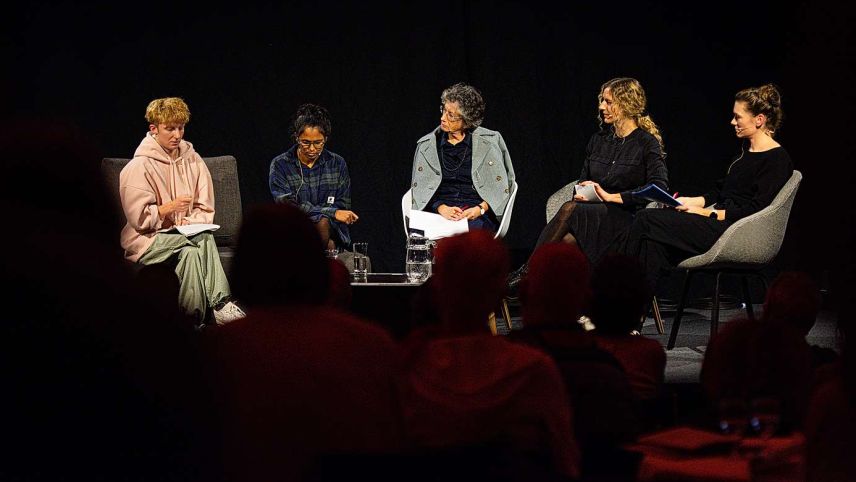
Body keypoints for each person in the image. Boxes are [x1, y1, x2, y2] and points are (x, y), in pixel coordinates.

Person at [397, 231, 580, 479]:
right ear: (499, 292)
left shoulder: (406, 369)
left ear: (437, 288)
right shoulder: (532, 370)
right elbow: (564, 462)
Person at [615, 83, 793, 287]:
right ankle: (630, 313)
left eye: (738, 117)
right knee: (652, 245)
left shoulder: (777, 159)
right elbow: (719, 192)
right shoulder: (744, 153)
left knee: (645, 219)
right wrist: (687, 201)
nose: (732, 121)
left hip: (733, 230)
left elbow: (756, 209)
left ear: (759, 120)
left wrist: (703, 213)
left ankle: (610, 291)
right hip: (716, 223)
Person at [508, 77, 668, 290]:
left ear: (627, 104)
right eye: (602, 100)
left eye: (609, 101)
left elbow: (659, 188)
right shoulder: (598, 140)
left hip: (625, 220)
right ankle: (566, 307)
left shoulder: (646, 143)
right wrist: (584, 191)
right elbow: (583, 179)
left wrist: (614, 197)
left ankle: (526, 274)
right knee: (563, 243)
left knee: (570, 209)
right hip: (591, 216)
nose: (602, 107)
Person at [119, 97, 244, 325]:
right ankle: (221, 302)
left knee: (192, 254)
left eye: (181, 128)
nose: (177, 135)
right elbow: (139, 219)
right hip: (147, 241)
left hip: (183, 238)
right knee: (203, 238)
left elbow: (205, 207)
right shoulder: (138, 167)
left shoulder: (193, 160)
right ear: (154, 129)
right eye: (170, 129)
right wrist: (168, 209)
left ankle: (192, 321)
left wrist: (190, 221)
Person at [410, 83, 515, 232]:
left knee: (472, 238)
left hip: (475, 212)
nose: (443, 118)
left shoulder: (490, 142)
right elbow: (420, 188)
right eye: (443, 110)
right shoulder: (427, 146)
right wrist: (441, 207)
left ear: (467, 120)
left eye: (451, 115)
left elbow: (503, 187)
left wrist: (480, 209)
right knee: (421, 235)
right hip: (438, 210)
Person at [270, 103, 358, 250]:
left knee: (323, 223)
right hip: (294, 228)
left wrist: (329, 215)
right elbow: (289, 206)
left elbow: (343, 206)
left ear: (326, 139)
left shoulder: (337, 163)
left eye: (318, 143)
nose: (312, 149)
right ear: (297, 138)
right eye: (306, 142)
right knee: (320, 230)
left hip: (331, 229)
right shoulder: (281, 164)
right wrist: (331, 212)